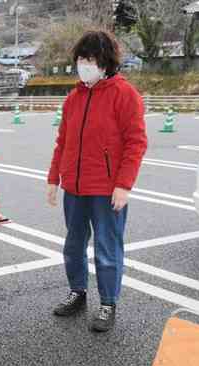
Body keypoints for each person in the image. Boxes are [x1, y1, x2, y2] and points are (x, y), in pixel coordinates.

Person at [46, 30, 148, 332]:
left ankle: (107, 303)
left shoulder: (124, 94)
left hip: (106, 190)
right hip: (74, 189)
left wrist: (123, 185)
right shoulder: (73, 99)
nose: (84, 65)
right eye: (80, 59)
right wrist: (54, 179)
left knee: (107, 248)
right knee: (73, 246)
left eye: (90, 59)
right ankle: (77, 292)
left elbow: (136, 142)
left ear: (105, 63)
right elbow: (62, 142)